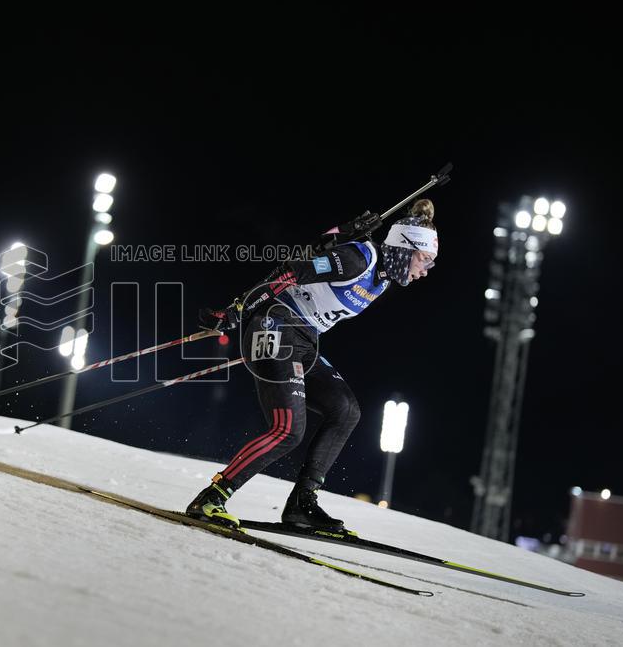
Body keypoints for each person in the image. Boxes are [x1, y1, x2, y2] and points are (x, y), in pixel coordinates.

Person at [186, 199, 439, 532]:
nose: (424, 272)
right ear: (404, 249)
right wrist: (238, 309)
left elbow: (324, 245)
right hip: (273, 325)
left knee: (346, 410)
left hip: (304, 339)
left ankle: (302, 505)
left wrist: (340, 232)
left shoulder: (383, 276)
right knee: (289, 430)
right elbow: (294, 270)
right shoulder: (358, 259)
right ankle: (211, 498)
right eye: (424, 260)